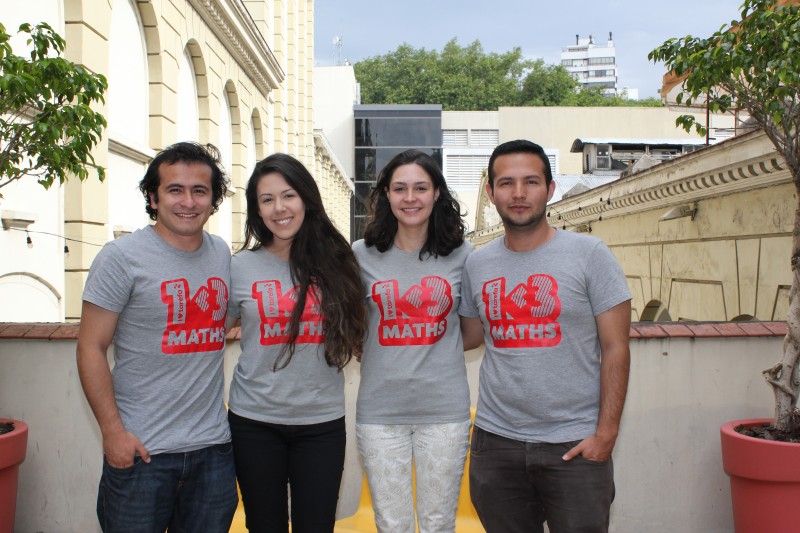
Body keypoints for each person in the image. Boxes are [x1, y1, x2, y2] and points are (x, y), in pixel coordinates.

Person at [459, 139, 632, 533]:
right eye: (506, 183)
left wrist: (606, 434)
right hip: (496, 444)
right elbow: (469, 336)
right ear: (491, 192)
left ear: (550, 189)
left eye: (531, 182)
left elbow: (616, 348)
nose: (519, 193)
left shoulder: (590, 255)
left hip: (574, 444)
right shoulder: (477, 264)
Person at [76, 141, 238, 532]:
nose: (188, 201)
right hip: (141, 453)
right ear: (153, 197)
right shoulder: (120, 257)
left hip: (213, 453)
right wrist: (113, 433)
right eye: (175, 189)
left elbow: (225, 321)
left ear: (213, 200)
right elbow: (90, 347)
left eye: (200, 191)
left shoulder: (221, 253)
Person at [227, 153, 366, 533]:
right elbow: (209, 332)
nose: (279, 208)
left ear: (306, 198)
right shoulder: (239, 267)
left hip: (320, 423)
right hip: (254, 422)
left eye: (288, 195)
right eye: (267, 199)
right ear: (257, 209)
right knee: (264, 525)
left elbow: (362, 329)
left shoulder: (340, 263)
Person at [353, 149, 472, 533]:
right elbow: (355, 326)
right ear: (386, 194)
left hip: (445, 412)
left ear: (437, 193)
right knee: (392, 524)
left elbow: (472, 333)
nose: (410, 198)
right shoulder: (361, 254)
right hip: (380, 414)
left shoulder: (464, 255)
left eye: (420, 188)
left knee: (439, 523)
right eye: (400, 188)